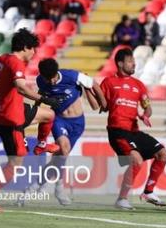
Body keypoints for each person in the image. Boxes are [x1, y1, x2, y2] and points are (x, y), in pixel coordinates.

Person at [0, 29, 61, 211]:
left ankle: (41, 144)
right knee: (16, 163)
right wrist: (44, 99)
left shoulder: (0, 59)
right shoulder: (15, 63)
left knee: (48, 115)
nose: (34, 53)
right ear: (25, 47)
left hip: (13, 110)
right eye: (33, 49)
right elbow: (21, 88)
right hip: (12, 119)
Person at [20, 58, 107, 206]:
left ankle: (34, 186)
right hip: (58, 120)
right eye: (48, 79)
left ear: (57, 72)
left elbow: (94, 84)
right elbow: (41, 94)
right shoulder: (41, 81)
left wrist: (104, 103)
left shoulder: (72, 76)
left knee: (59, 157)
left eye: (53, 78)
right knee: (64, 148)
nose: (52, 82)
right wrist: (36, 111)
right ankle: (59, 188)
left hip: (78, 123)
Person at [100, 48, 166, 210]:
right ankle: (122, 199)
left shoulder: (138, 85)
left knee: (163, 154)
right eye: (130, 61)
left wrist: (145, 114)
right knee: (136, 160)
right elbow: (102, 105)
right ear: (120, 63)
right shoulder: (109, 82)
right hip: (117, 130)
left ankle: (149, 192)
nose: (134, 64)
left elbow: (148, 107)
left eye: (134, 61)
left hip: (134, 130)